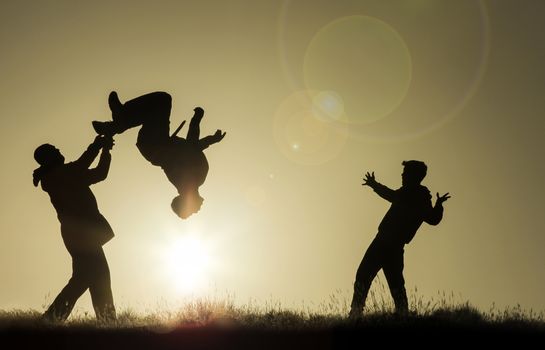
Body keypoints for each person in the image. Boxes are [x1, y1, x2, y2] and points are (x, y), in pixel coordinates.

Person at [92, 91, 226, 219]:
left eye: (192, 212)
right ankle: (116, 124)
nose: (197, 211)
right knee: (156, 108)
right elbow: (194, 148)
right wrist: (211, 139)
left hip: (155, 144)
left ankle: (118, 121)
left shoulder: (189, 182)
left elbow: (191, 146)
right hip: (157, 143)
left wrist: (197, 119)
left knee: (162, 101)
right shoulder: (194, 180)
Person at [349, 160, 450, 317]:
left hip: (385, 244)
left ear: (414, 175)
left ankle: (356, 314)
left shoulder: (413, 194)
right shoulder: (419, 196)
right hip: (392, 246)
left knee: (366, 276)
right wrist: (438, 205)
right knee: (394, 284)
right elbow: (433, 219)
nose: (402, 175)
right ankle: (401, 316)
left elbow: (392, 196)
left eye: (405, 173)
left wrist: (374, 185)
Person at [33, 135, 116, 322]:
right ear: (48, 158)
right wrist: (97, 145)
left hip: (80, 234)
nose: (59, 151)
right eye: (54, 151)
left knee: (93, 276)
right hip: (81, 235)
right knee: (89, 277)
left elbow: (100, 174)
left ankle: (106, 322)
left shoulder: (64, 174)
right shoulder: (58, 175)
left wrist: (105, 151)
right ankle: (52, 319)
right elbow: (83, 163)